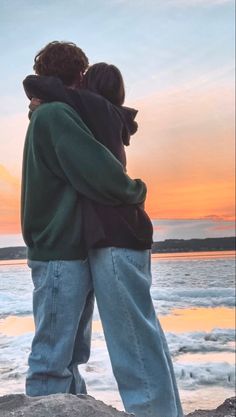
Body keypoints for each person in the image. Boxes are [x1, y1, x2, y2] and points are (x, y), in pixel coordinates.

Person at [22, 42, 183, 417]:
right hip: (60, 250)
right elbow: (100, 173)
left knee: (70, 354)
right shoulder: (57, 115)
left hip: (67, 249)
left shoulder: (48, 114)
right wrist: (136, 190)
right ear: (80, 75)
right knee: (53, 358)